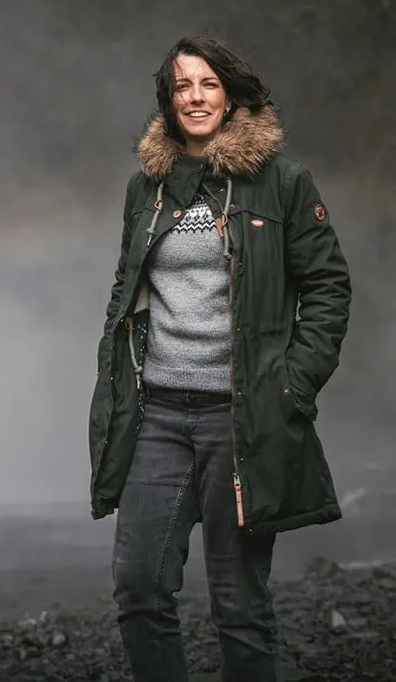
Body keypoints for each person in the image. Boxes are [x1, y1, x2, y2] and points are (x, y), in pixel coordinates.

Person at [88, 35, 353, 681]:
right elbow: (129, 293)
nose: (196, 96)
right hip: (159, 418)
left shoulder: (282, 182)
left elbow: (327, 285)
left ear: (231, 94)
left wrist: (291, 386)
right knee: (139, 588)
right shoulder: (146, 188)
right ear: (168, 100)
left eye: (208, 84)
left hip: (241, 419)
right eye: (183, 86)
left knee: (239, 605)